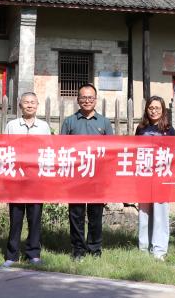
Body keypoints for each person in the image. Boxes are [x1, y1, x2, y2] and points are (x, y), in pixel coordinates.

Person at [60, 83, 114, 260]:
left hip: (97, 178)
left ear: (95, 100)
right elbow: (62, 150)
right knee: (76, 215)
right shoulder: (69, 122)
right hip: (75, 178)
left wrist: (107, 178)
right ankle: (78, 249)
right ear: (78, 100)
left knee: (95, 215)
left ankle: (95, 248)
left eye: (90, 97)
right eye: (83, 97)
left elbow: (110, 151)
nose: (87, 100)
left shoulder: (104, 123)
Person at [1, 92, 52, 267]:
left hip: (36, 178)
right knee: (15, 218)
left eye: (32, 102)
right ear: (20, 105)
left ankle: (33, 253)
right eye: (26, 102)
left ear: (37, 105)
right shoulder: (12, 125)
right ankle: (12, 255)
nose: (29, 105)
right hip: (16, 178)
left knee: (35, 217)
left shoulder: (44, 126)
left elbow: (48, 151)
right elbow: (5, 149)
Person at [135, 96, 175, 260]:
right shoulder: (140, 129)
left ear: (163, 110)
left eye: (157, 108)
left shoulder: (169, 130)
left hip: (161, 177)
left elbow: (173, 154)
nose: (154, 111)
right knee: (144, 213)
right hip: (144, 175)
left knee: (160, 213)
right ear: (146, 109)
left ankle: (159, 250)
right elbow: (135, 151)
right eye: (151, 108)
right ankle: (143, 248)